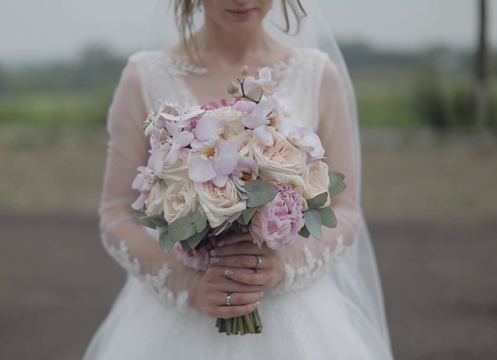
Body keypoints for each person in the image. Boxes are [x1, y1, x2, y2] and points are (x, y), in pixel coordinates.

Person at [84, 0, 394, 358]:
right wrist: (188, 284)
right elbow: (116, 211)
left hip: (295, 320)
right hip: (178, 322)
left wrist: (286, 264)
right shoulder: (144, 77)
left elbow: (346, 209)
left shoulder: (318, 75)